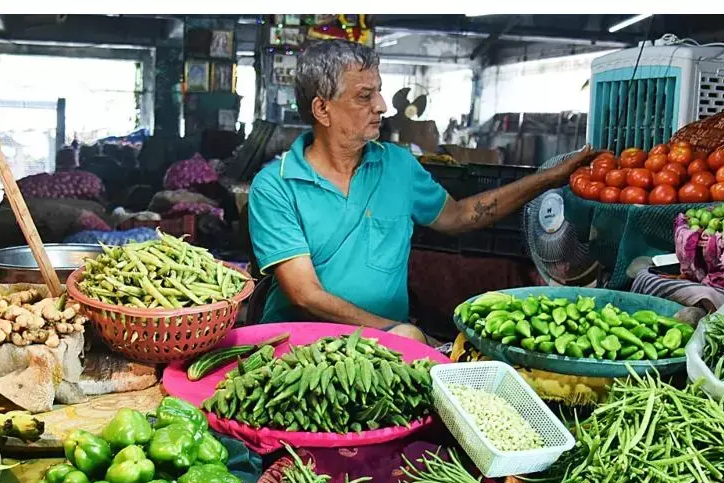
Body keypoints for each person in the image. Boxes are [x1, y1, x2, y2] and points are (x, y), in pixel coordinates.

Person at [248, 40, 594, 341]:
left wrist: (548, 178)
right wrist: (393, 331)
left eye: (379, 90)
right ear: (322, 109)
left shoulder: (400, 166)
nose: (382, 105)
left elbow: (458, 216)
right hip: (294, 348)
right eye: (365, 96)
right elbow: (304, 293)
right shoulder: (276, 185)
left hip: (381, 352)